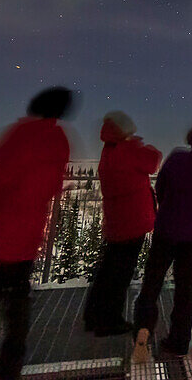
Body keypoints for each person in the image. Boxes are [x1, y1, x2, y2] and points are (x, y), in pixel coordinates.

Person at [0, 87, 75, 380]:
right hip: (28, 236)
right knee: (17, 310)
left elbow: (1, 181)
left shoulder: (21, 134)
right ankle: (10, 370)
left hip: (0, 234)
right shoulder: (59, 140)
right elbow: (48, 185)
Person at [132, 119, 192, 361]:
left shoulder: (176, 158)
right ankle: (178, 342)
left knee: (152, 284)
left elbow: (161, 187)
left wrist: (168, 207)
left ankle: (142, 332)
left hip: (165, 230)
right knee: (185, 290)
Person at [83, 111, 162, 336]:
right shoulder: (128, 150)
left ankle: (93, 316)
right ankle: (110, 320)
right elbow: (153, 159)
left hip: (117, 221)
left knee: (108, 270)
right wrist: (136, 143)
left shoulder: (108, 151)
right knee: (120, 273)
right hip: (132, 221)